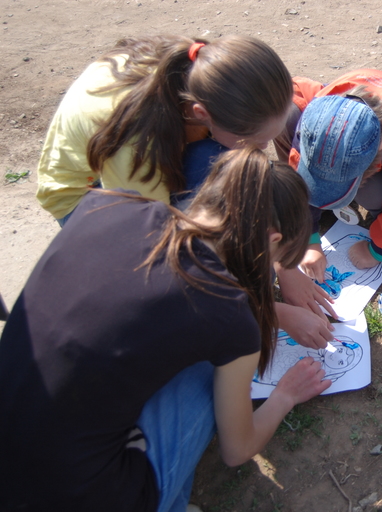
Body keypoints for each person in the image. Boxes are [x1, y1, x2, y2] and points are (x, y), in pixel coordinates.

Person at [0, 148, 333, 511]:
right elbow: (237, 450)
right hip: (79, 498)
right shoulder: (228, 315)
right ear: (271, 240)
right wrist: (284, 396)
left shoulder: (108, 203)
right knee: (214, 374)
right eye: (278, 260)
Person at [36, 34, 294, 225]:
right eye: (255, 140)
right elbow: (148, 231)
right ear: (201, 114)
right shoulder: (138, 144)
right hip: (82, 199)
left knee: (236, 173)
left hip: (129, 162)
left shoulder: (196, 71)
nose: (263, 149)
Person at [275, 69, 382, 274]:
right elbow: (296, 178)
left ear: (379, 151)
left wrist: (377, 251)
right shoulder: (311, 121)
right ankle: (326, 197)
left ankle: (347, 198)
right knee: (286, 115)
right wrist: (309, 239)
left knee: (375, 197)